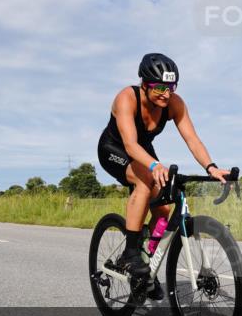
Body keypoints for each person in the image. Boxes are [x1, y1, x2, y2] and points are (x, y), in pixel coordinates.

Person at [97, 53, 229, 285]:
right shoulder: (127, 98)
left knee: (163, 211)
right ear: (145, 84)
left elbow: (192, 139)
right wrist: (155, 165)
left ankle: (145, 267)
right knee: (144, 183)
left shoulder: (174, 104)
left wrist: (211, 167)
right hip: (115, 149)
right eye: (160, 87)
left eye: (171, 87)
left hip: (144, 152)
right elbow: (130, 144)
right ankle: (130, 254)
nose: (166, 93)